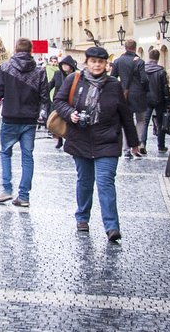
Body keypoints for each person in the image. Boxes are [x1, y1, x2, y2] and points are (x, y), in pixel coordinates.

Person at [53, 46, 141, 242]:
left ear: (106, 65)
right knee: (84, 181)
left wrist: (134, 142)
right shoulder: (74, 80)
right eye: (93, 61)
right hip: (81, 140)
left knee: (105, 183)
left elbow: (125, 115)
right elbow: (59, 101)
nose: (97, 65)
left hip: (107, 141)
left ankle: (112, 227)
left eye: (100, 62)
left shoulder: (113, 85)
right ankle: (82, 218)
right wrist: (70, 114)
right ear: (87, 62)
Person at [0, 38, 49, 207]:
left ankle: (7, 189)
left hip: (10, 116)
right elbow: (45, 97)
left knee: (5, 153)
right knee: (27, 157)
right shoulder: (39, 71)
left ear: (15, 49)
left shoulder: (4, 67)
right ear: (31, 50)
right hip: (29, 119)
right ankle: (24, 196)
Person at [110, 39, 149, 159]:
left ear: (125, 48)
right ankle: (135, 145)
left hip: (123, 94)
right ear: (135, 48)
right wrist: (145, 90)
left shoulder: (117, 61)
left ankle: (126, 148)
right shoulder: (140, 62)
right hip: (138, 95)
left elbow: (112, 78)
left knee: (126, 121)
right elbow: (144, 79)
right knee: (141, 120)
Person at [142, 50, 170, 153]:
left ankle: (142, 143)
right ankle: (161, 145)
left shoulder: (143, 70)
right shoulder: (161, 71)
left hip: (145, 100)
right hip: (159, 100)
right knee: (160, 123)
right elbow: (165, 88)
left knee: (144, 123)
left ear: (149, 57)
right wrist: (169, 103)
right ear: (158, 58)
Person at [50, 56, 78, 149]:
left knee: (70, 122)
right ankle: (60, 140)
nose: (64, 66)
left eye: (66, 64)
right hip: (59, 102)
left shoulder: (75, 76)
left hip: (71, 102)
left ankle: (70, 140)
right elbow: (51, 85)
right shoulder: (57, 74)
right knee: (58, 122)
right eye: (63, 64)